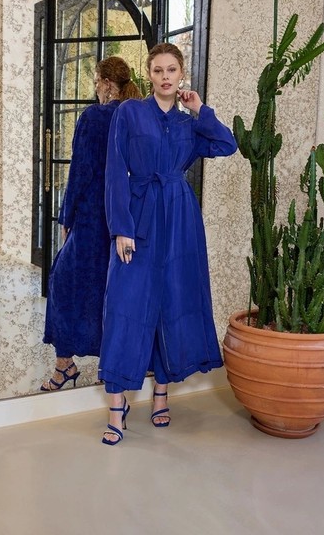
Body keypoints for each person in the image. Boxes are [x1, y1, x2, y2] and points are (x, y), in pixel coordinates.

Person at [98, 42, 238, 444]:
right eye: (158, 70)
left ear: (181, 75)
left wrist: (200, 109)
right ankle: (117, 406)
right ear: (149, 74)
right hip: (138, 216)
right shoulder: (129, 113)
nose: (164, 77)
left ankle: (161, 394)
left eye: (171, 70)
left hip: (179, 219)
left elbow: (227, 144)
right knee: (125, 304)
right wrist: (121, 228)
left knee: (171, 301)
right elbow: (114, 170)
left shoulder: (187, 122)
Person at [41, 56, 142, 391]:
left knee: (62, 283)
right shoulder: (138, 114)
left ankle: (64, 365)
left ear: (107, 84)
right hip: (127, 217)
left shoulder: (95, 117)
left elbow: (81, 171)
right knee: (110, 291)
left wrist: (67, 215)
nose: (95, 87)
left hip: (93, 217)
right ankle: (107, 367)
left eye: (96, 81)